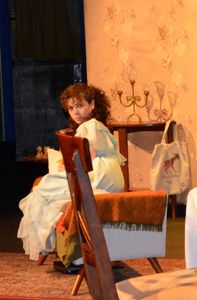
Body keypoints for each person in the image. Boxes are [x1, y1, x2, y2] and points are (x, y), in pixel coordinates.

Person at [17, 83, 125, 268]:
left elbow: (86, 160)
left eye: (80, 105)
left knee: (44, 186)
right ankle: (72, 246)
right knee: (50, 187)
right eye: (71, 107)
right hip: (112, 175)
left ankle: (72, 248)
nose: (75, 111)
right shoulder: (98, 126)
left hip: (99, 175)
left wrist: (65, 166)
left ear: (92, 105)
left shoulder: (88, 126)